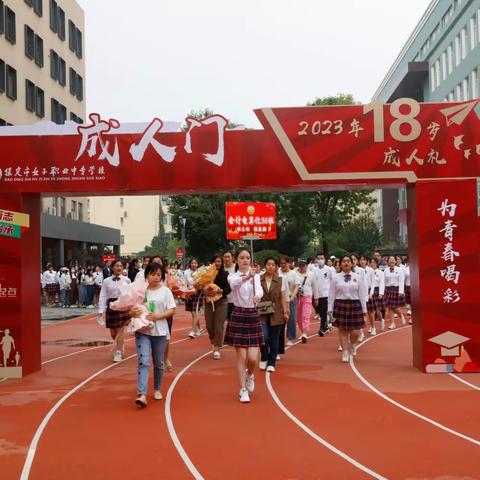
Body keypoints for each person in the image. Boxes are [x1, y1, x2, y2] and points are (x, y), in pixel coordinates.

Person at [129, 262, 176, 407]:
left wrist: (158, 316)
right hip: (143, 330)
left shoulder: (166, 291)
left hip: (160, 331)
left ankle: (157, 389)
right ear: (147, 275)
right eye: (152, 274)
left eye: (158, 275)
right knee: (144, 361)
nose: (155, 277)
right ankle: (141, 394)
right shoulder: (140, 291)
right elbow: (130, 308)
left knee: (158, 363)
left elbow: (171, 309)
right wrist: (131, 312)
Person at [224, 248, 263, 403]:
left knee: (253, 359)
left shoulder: (257, 277)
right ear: (236, 260)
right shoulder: (232, 276)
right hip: (238, 314)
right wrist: (248, 276)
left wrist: (258, 296)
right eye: (242, 258)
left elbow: (259, 290)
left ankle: (250, 375)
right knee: (242, 355)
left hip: (252, 315)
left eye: (247, 257)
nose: (245, 260)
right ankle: (242, 390)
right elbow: (234, 285)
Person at [328, 255, 368, 363]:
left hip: (355, 305)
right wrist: (329, 308)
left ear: (351, 263)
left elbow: (362, 294)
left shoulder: (358, 277)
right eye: (344, 261)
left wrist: (364, 310)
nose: (346, 263)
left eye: (348, 261)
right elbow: (331, 294)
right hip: (340, 304)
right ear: (340, 264)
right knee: (343, 330)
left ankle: (352, 344)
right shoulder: (336, 278)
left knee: (355, 332)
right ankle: (345, 352)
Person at [97, 260, 131, 362]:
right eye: (116, 266)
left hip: (122, 305)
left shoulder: (127, 280)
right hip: (111, 306)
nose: (119, 268)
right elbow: (103, 295)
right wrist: (101, 309)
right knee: (113, 332)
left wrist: (130, 307)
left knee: (120, 330)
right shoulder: (106, 281)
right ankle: (120, 344)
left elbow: (130, 295)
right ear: (112, 268)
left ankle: (118, 352)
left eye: (120, 266)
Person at [259, 258, 288, 372]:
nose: (270, 267)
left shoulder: (280, 279)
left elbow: (283, 297)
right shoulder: (259, 279)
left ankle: (272, 362)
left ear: (276, 267)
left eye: (273, 265)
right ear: (265, 266)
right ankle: (264, 357)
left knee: (274, 338)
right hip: (262, 311)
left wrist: (285, 312)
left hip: (276, 312)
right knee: (264, 336)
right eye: (268, 264)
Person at [204, 255, 231, 359]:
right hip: (208, 302)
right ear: (212, 263)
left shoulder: (225, 274)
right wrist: (203, 290)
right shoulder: (206, 274)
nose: (218, 263)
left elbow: (229, 288)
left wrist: (221, 291)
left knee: (219, 325)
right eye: (215, 261)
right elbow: (201, 286)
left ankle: (217, 348)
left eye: (219, 261)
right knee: (209, 325)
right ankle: (213, 339)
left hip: (221, 302)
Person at [279, 256, 299, 346]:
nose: (283, 265)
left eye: (285, 263)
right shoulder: (277, 272)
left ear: (289, 263)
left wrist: (293, 296)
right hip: (280, 300)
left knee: (291, 319)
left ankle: (290, 337)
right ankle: (279, 339)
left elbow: (296, 286)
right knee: (280, 320)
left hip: (291, 299)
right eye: (281, 263)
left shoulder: (293, 274)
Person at [312, 253, 333, 336]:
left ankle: (322, 328)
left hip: (326, 294)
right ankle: (327, 324)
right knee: (320, 312)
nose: (320, 260)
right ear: (316, 260)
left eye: (322, 258)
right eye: (319, 258)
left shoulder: (329, 269)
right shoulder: (314, 270)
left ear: (324, 259)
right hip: (317, 295)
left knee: (323, 312)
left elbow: (332, 280)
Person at [384, 256, 406, 329]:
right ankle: (392, 323)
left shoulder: (399, 270)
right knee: (390, 307)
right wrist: (383, 291)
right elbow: (384, 282)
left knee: (395, 306)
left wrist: (401, 291)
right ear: (388, 262)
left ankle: (401, 315)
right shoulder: (385, 270)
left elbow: (401, 281)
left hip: (396, 289)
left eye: (393, 260)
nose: (392, 261)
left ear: (395, 261)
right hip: (388, 289)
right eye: (390, 260)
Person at [296, 259, 314, 343]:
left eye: (303, 265)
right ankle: (302, 331)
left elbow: (315, 286)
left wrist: (316, 298)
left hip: (307, 297)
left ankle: (305, 333)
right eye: (300, 265)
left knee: (305, 316)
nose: (301, 267)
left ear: (306, 265)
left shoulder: (311, 274)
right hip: (297, 297)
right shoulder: (295, 274)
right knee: (299, 317)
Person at [184, 258, 203, 338]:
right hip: (189, 293)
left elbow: (202, 283)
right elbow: (184, 283)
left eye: (195, 263)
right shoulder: (186, 272)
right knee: (193, 313)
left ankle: (193, 331)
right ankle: (199, 329)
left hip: (198, 293)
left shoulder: (200, 272)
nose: (194, 264)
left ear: (197, 264)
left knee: (195, 312)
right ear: (190, 264)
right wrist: (185, 293)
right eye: (192, 263)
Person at [368, 258, 385, 335]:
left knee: (377, 309)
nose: (372, 264)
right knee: (370, 310)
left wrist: (381, 293)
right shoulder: (368, 272)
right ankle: (372, 326)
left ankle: (381, 320)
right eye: (371, 262)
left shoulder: (380, 272)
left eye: (374, 262)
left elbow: (382, 283)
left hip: (377, 291)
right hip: (370, 291)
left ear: (377, 263)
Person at [223, 251, 236, 322]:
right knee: (223, 320)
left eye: (228, 257)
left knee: (233, 321)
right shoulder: (221, 269)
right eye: (225, 257)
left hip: (235, 300)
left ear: (232, 258)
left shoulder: (237, 267)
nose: (227, 259)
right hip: (223, 300)